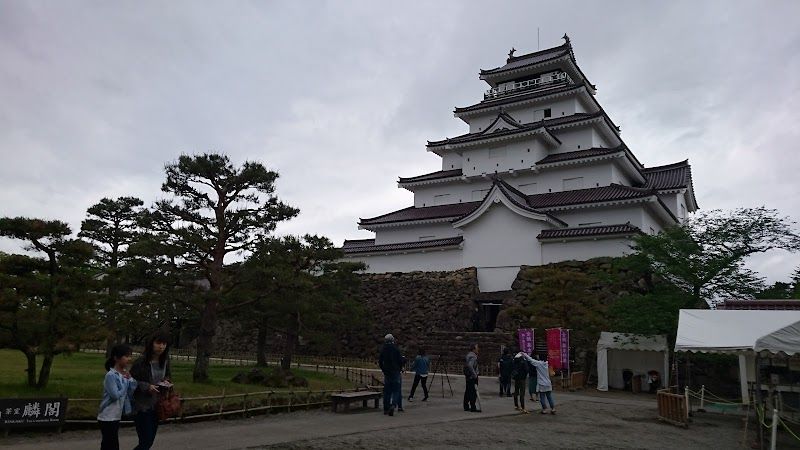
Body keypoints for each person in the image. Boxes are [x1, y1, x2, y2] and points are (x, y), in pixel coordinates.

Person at [130, 331, 172, 450]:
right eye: (158, 343)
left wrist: (167, 382)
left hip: (158, 405)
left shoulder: (165, 362)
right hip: (142, 406)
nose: (161, 346)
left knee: (150, 440)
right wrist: (146, 386)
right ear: (151, 344)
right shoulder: (141, 362)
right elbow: (131, 381)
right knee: (146, 441)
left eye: (164, 344)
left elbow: (167, 376)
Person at [98, 344, 137, 450]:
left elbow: (132, 389)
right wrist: (125, 383)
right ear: (116, 358)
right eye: (126, 356)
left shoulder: (123, 374)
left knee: (110, 444)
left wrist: (130, 379)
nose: (129, 359)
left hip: (116, 415)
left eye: (130, 356)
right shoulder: (111, 375)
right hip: (107, 415)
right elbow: (115, 395)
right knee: (111, 444)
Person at [378, 333, 403, 416]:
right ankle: (393, 405)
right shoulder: (396, 349)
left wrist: (383, 369)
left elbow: (380, 361)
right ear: (393, 340)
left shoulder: (383, 349)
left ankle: (386, 408)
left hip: (387, 372)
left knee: (387, 391)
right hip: (395, 371)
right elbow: (400, 361)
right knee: (396, 390)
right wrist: (401, 366)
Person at [463, 343, 480, 412]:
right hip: (472, 376)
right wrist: (475, 375)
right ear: (473, 349)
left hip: (468, 376)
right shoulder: (473, 356)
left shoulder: (468, 355)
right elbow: (470, 365)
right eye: (477, 348)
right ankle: (473, 407)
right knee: (473, 391)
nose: (478, 349)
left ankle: (466, 406)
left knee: (468, 391)